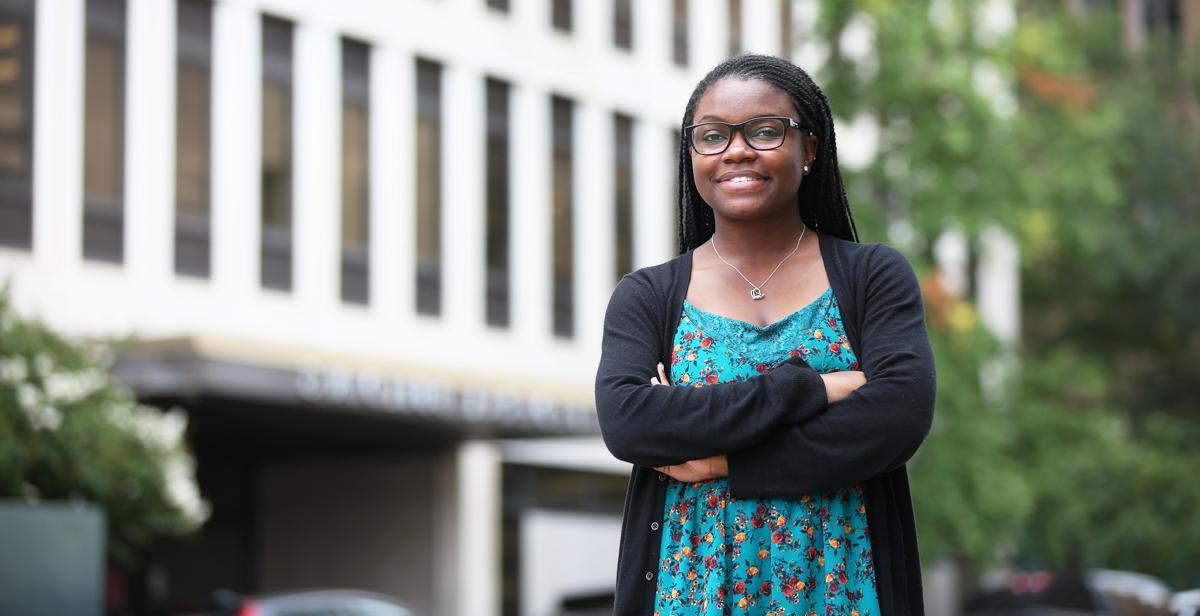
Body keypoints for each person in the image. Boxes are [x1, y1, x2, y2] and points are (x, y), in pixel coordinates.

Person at [594, 54, 936, 616]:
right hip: (691, 596)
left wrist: (720, 461)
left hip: (842, 593)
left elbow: (897, 416)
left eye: (764, 131)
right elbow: (631, 423)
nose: (736, 150)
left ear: (810, 147)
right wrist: (813, 390)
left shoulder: (872, 276)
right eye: (712, 136)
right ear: (692, 153)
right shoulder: (648, 297)